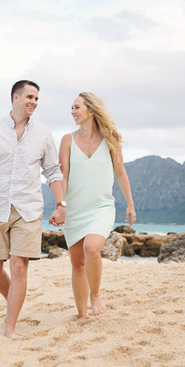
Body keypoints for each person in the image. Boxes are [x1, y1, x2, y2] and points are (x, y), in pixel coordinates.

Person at [0, 80, 66, 340]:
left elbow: (53, 172)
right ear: (16, 97)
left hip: (29, 209)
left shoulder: (44, 134)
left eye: (37, 98)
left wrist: (61, 204)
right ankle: (16, 299)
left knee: (19, 267)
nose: (34, 102)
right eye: (30, 97)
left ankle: (9, 327)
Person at [59, 92, 135, 320]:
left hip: (101, 207)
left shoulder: (111, 138)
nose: (73, 112)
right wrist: (60, 205)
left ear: (91, 111)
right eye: (71, 108)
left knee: (92, 248)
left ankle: (95, 295)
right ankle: (82, 315)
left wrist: (130, 204)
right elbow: (62, 177)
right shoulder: (66, 140)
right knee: (77, 263)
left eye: (77, 107)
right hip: (74, 209)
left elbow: (120, 173)